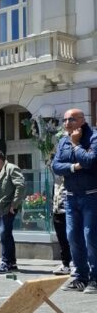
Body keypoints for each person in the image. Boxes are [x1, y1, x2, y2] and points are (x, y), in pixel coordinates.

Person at [52, 107, 97, 293]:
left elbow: (90, 161)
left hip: (91, 196)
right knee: (73, 237)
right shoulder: (63, 140)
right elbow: (55, 166)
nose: (66, 123)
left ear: (82, 120)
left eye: (71, 119)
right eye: (65, 120)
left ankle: (95, 279)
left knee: (91, 237)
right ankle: (80, 277)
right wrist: (74, 167)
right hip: (70, 197)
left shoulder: (93, 137)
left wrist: (76, 145)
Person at [0, 149, 26, 273]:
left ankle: (6, 262)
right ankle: (12, 263)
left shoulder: (11, 168)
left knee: (5, 235)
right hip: (0, 208)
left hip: (8, 208)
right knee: (6, 235)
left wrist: (14, 204)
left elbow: (20, 185)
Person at [51, 176, 72, 275]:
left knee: (74, 239)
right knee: (62, 240)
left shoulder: (71, 176)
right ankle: (65, 264)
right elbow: (54, 194)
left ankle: (78, 265)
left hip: (69, 212)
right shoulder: (57, 179)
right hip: (57, 211)